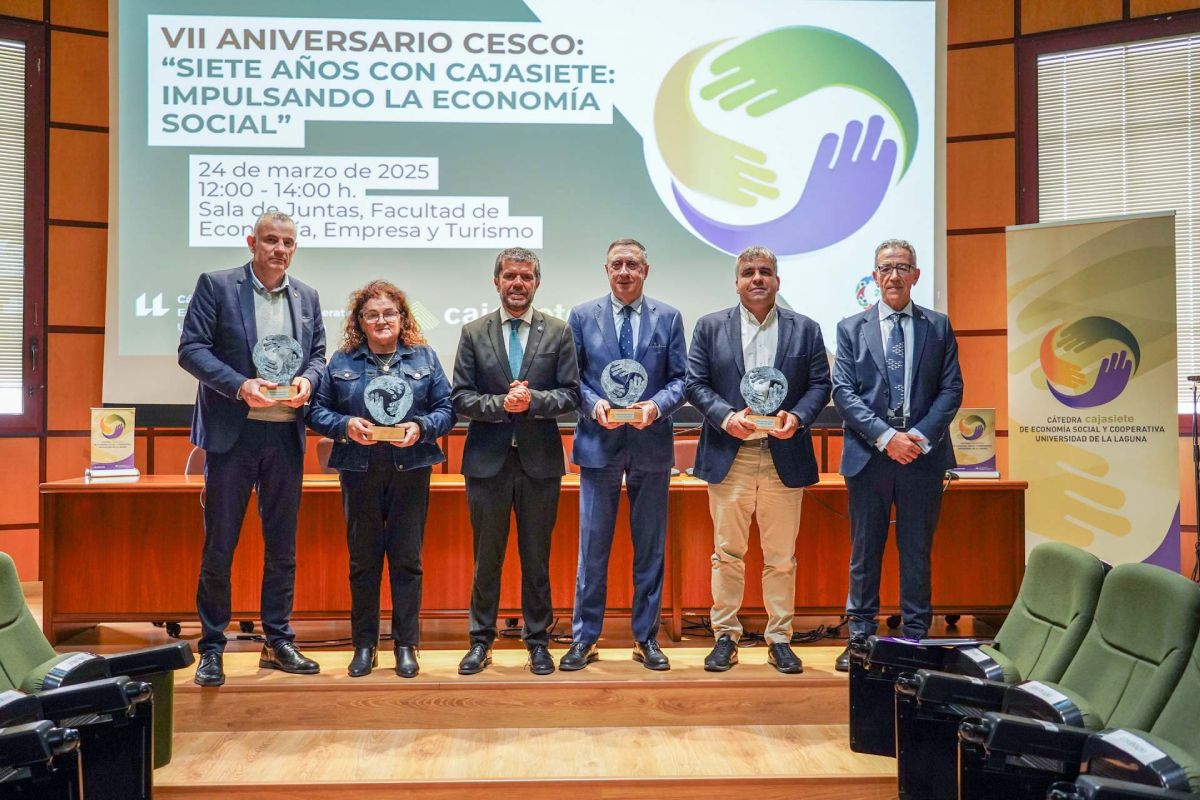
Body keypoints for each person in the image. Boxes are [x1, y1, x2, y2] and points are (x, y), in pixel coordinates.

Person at [178, 211, 326, 687]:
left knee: (282, 547)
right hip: (233, 436)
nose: (279, 249)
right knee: (220, 546)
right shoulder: (217, 285)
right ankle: (212, 647)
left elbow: (318, 356)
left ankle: (277, 641)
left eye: (287, 242)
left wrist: (309, 380)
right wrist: (241, 385)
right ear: (252, 242)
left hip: (284, 436)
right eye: (270, 240)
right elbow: (191, 350)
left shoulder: (307, 296)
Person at [684, 245, 831, 674]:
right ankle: (725, 636)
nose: (757, 278)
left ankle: (780, 638)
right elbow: (695, 383)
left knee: (781, 557)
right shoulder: (711, 327)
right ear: (737, 282)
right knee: (727, 553)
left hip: (783, 455)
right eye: (748, 272)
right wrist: (726, 417)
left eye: (765, 271)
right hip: (731, 456)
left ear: (777, 280)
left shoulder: (806, 329)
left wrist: (796, 417)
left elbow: (820, 385)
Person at [307, 281, 454, 678]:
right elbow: (316, 411)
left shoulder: (424, 357)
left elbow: (447, 409)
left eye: (389, 313)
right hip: (360, 471)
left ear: (402, 317)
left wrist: (421, 427)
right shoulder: (342, 361)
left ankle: (406, 645)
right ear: (360, 321)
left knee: (407, 560)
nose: (381, 320)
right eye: (371, 314)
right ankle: (364, 646)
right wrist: (344, 425)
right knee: (363, 561)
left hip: (412, 470)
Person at [832, 239, 963, 672]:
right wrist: (887, 437)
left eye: (902, 267)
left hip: (922, 458)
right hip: (869, 457)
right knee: (864, 551)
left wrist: (918, 437)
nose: (894, 275)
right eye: (886, 268)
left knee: (916, 550)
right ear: (874, 276)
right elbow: (843, 393)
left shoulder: (938, 327)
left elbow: (951, 389)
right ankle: (860, 639)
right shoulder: (851, 328)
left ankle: (914, 638)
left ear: (916, 276)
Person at [451, 247, 580, 676]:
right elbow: (460, 397)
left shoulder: (558, 331)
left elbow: (572, 394)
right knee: (486, 558)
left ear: (536, 283)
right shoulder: (473, 332)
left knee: (536, 558)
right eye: (510, 276)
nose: (518, 283)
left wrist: (533, 401)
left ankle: (538, 643)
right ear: (497, 282)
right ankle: (480, 642)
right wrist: (502, 405)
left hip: (540, 463)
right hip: (486, 463)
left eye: (526, 276)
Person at [560, 239, 687, 671]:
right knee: (592, 550)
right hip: (599, 443)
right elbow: (572, 378)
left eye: (633, 264)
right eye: (617, 264)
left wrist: (656, 407)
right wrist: (595, 405)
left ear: (645, 271)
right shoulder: (582, 316)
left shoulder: (669, 317)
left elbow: (680, 379)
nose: (625, 272)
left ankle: (645, 638)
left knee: (650, 549)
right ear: (606, 270)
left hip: (651, 444)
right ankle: (585, 639)